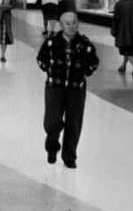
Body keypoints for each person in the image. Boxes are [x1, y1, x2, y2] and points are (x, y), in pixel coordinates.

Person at [36, 12, 99, 169]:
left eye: (74, 23)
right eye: (67, 23)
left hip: (75, 89)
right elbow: (41, 60)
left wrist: (84, 72)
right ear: (61, 25)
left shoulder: (85, 45)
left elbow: (93, 63)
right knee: (52, 121)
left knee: (74, 123)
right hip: (55, 87)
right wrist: (50, 70)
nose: (71, 26)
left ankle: (69, 156)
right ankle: (52, 146)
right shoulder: (51, 43)